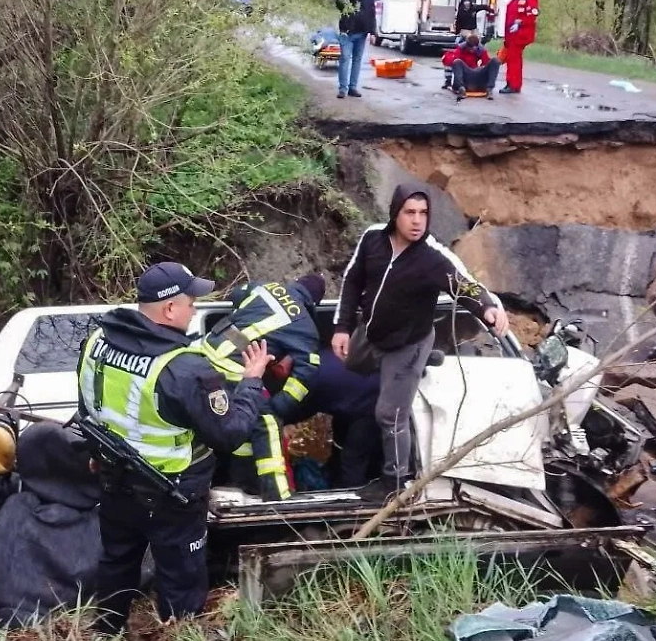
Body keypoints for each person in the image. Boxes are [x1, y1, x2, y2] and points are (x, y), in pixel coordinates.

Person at [77, 261, 274, 633]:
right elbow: (229, 433)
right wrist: (251, 381)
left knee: (117, 559)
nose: (195, 309)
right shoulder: (184, 369)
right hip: (171, 492)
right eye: (190, 302)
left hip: (115, 481)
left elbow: (88, 405)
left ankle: (106, 633)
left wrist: (94, 454)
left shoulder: (95, 344)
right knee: (180, 573)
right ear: (170, 309)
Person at [332, 183, 510, 499]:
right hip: (372, 333)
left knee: (389, 414)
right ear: (395, 214)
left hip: (408, 344)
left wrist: (488, 308)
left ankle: (397, 483)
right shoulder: (373, 238)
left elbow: (465, 286)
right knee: (348, 365)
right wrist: (342, 327)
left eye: (424, 213)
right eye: (410, 213)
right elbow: (352, 280)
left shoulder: (432, 258)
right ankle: (415, 367)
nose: (417, 221)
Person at [199, 275, 326, 501]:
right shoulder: (305, 327)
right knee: (267, 424)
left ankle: (238, 482)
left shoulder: (267, 287)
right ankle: (279, 496)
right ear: (313, 303)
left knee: (237, 424)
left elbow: (237, 294)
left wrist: (246, 331)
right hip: (231, 369)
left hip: (207, 352)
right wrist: (279, 405)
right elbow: (305, 374)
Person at [290, 348, 382, 489]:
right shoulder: (308, 354)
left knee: (352, 458)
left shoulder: (308, 379)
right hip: (352, 397)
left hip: (370, 404)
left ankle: (351, 498)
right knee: (339, 443)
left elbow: (301, 409)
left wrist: (280, 419)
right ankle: (335, 478)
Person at [335, 0, 378, 100]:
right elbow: (339, 4)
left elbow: (372, 13)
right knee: (345, 59)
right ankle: (343, 89)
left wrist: (373, 32)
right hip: (347, 33)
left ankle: (352, 87)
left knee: (357, 60)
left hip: (362, 32)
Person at [501, 0, 539, 94]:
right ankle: (511, 83)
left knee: (514, 61)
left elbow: (531, 16)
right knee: (511, 59)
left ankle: (513, 85)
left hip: (519, 36)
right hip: (511, 35)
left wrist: (520, 23)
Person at [441, 34, 501, 100]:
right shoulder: (460, 49)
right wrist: (449, 81)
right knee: (456, 61)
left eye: (474, 48)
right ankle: (461, 88)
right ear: (466, 45)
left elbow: (485, 63)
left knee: (495, 60)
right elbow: (454, 63)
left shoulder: (481, 50)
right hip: (466, 78)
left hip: (478, 77)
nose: (472, 50)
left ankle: (489, 89)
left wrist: (481, 68)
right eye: (470, 47)